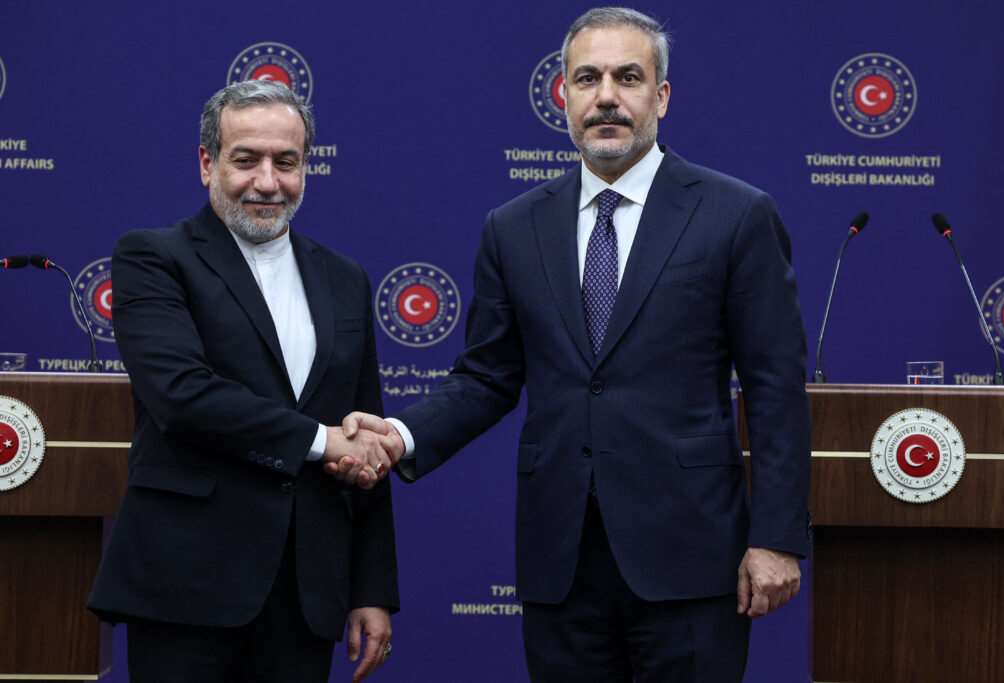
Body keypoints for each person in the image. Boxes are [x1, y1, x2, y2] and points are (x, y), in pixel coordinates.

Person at [337, 6, 811, 682]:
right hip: (560, 561)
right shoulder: (513, 227)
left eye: (628, 78)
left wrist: (777, 537)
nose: (606, 96)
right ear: (563, 96)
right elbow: (486, 377)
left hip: (692, 557)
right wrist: (400, 437)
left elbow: (775, 388)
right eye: (588, 79)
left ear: (661, 97)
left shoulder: (735, 215)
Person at [88, 80, 398, 683]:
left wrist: (371, 588)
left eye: (286, 162)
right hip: (186, 587)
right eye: (246, 159)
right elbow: (183, 396)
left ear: (306, 168)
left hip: (306, 593)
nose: (267, 181)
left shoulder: (345, 279)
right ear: (208, 163)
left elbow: (366, 428)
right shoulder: (154, 258)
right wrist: (322, 440)